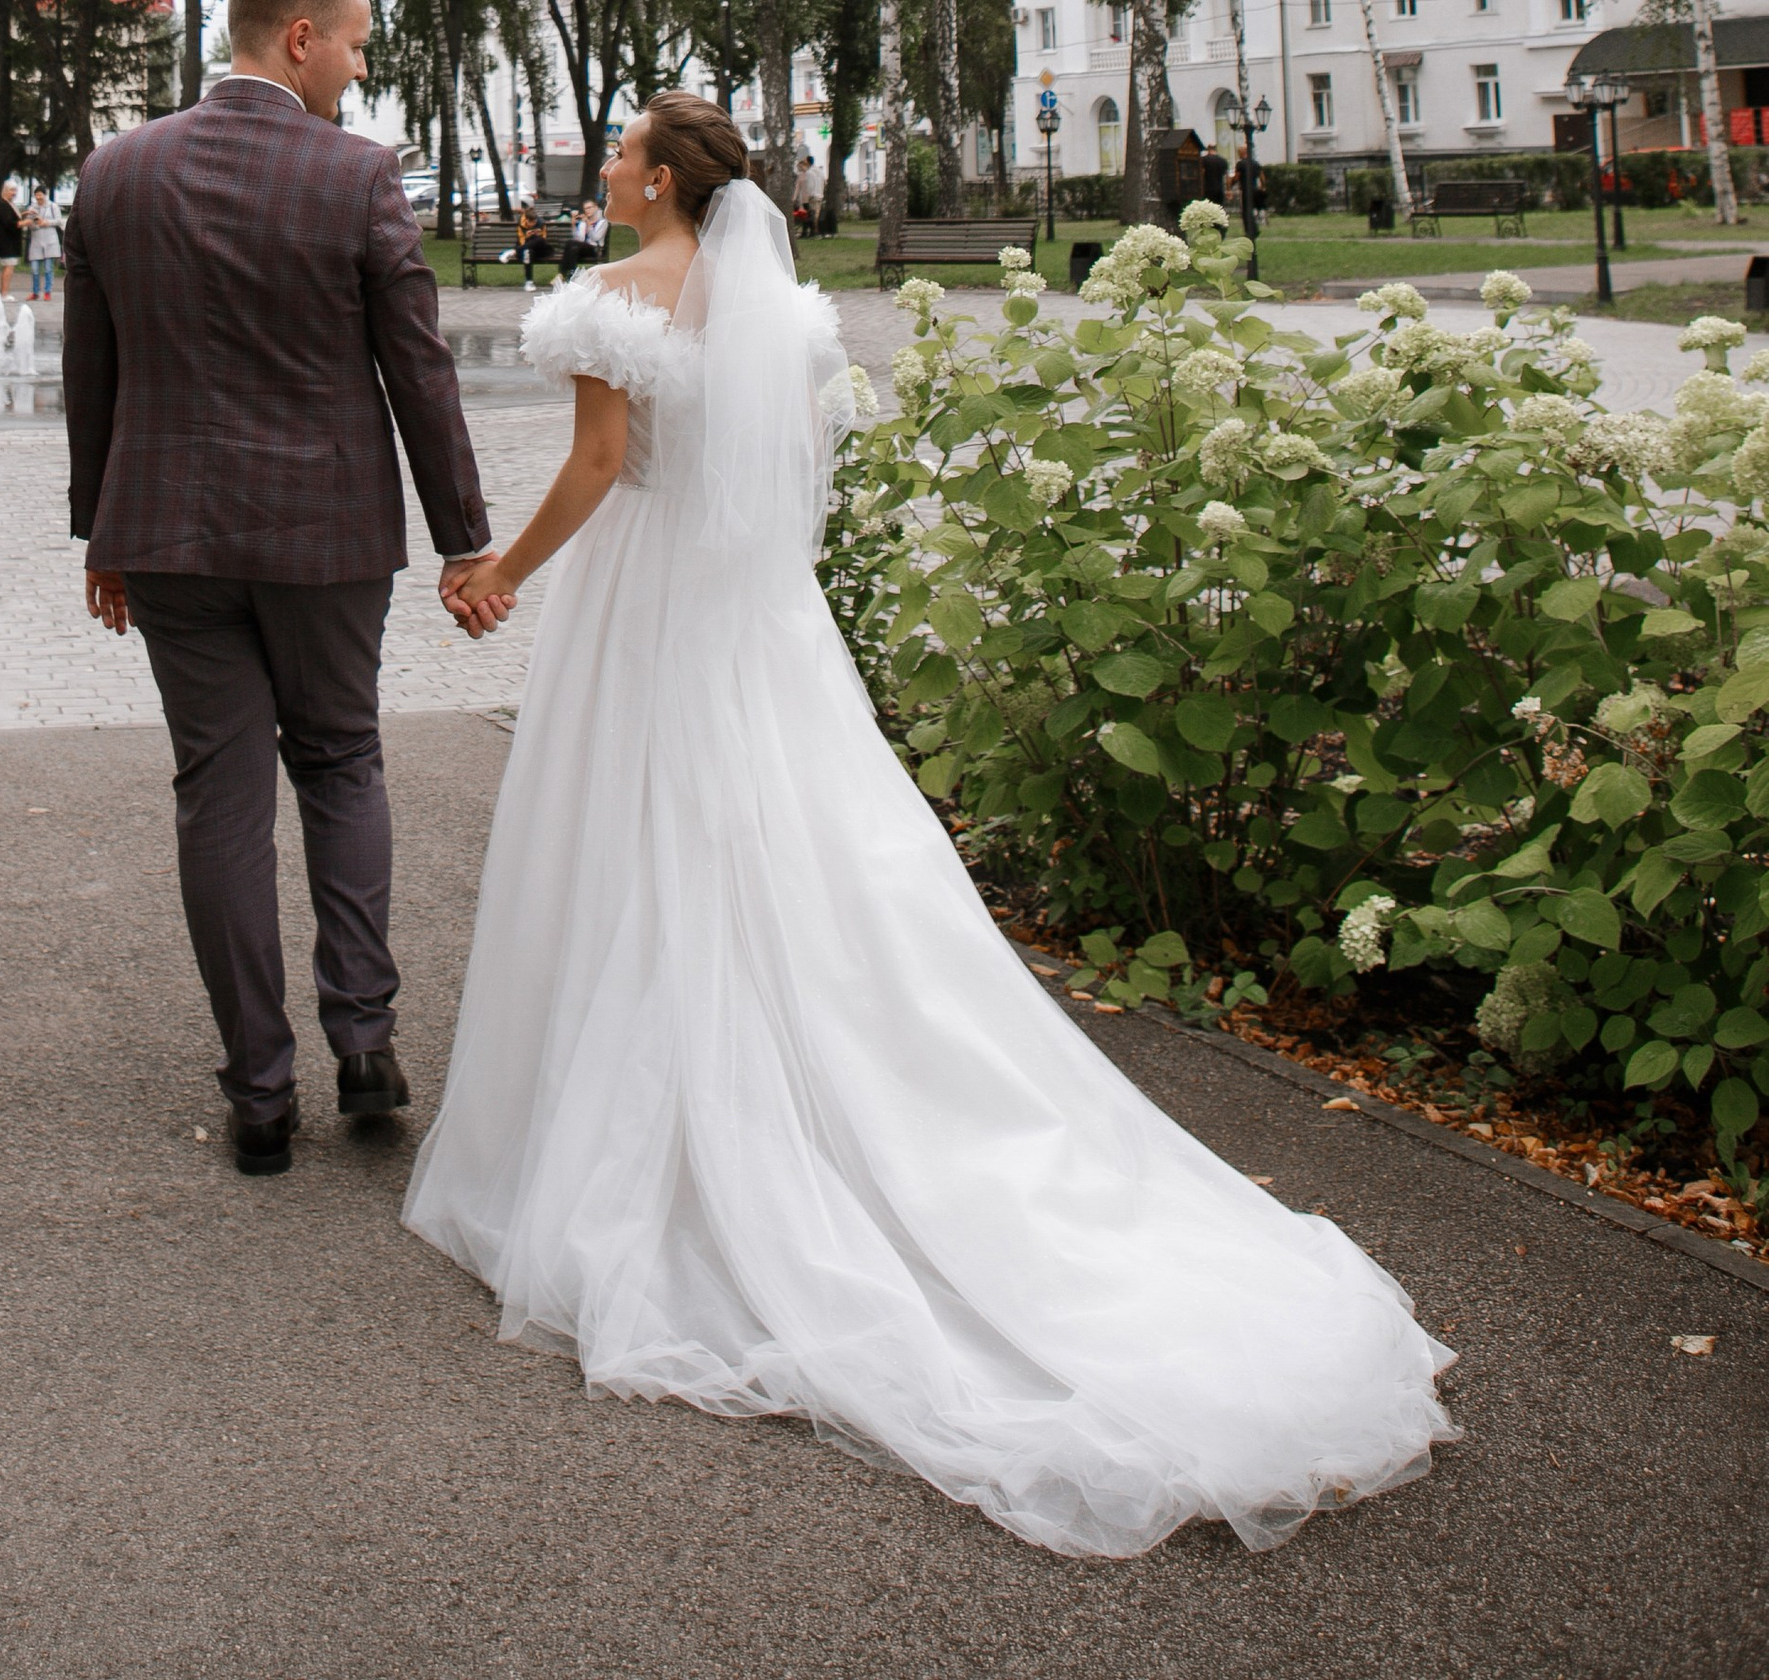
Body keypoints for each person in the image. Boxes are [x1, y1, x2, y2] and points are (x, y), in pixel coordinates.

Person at [404, 89, 1454, 1559]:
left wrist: (498, 576)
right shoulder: (785, 317)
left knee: (642, 846)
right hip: (756, 624)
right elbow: (791, 483)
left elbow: (594, 467)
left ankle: (662, 1142)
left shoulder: (612, 298)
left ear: (657, 181)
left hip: (648, 611)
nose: (616, 169)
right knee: (790, 850)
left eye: (628, 152)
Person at [66, 0, 493, 1179]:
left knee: (219, 797)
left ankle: (259, 1094)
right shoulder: (356, 178)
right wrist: (463, 536)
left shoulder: (115, 172)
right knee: (342, 759)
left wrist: (103, 531)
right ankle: (364, 1042)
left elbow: (88, 374)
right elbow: (419, 369)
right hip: (326, 539)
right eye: (355, 43)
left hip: (172, 540)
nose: (358, 71)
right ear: (297, 37)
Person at [22, 184, 62, 302]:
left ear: (45, 195)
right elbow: (29, 222)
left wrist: (46, 222)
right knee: (34, 269)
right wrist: (32, 223)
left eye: (40, 194)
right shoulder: (32, 208)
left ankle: (47, 291)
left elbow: (59, 220)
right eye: (37, 195)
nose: (39, 197)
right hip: (37, 240)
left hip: (49, 239)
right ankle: (35, 292)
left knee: (48, 268)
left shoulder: (52, 206)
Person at [0, 176, 24, 300]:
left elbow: (13, 217)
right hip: (6, 242)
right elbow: (9, 223)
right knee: (8, 266)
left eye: (15, 191)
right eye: (11, 190)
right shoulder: (3, 205)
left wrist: (24, 215)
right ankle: (4, 292)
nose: (13, 193)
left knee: (8, 267)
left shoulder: (9, 204)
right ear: (5, 191)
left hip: (10, 241)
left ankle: (4, 291)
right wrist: (25, 223)